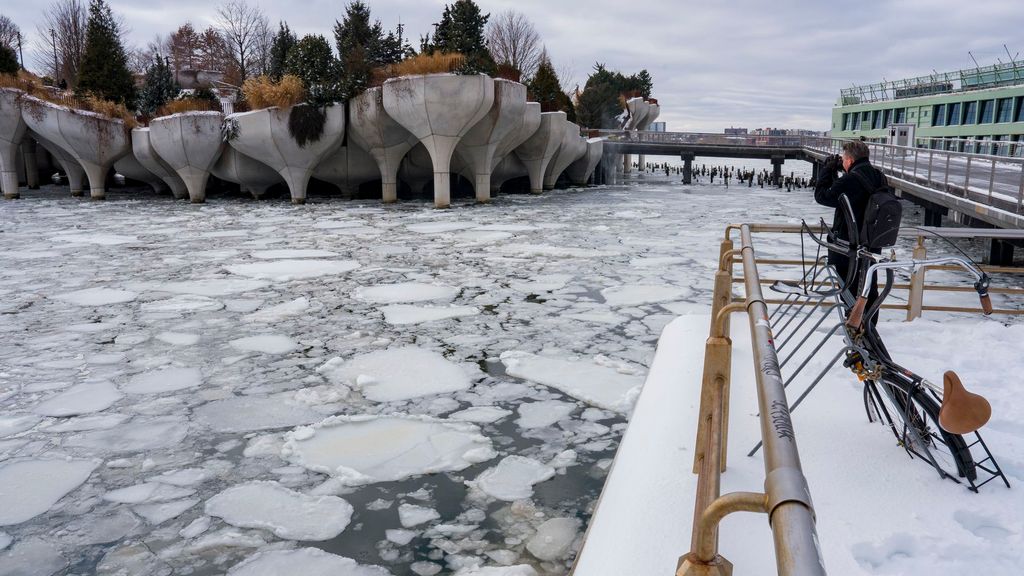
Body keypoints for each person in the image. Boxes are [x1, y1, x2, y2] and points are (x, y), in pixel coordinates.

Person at [814, 140, 885, 320]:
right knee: (869, 288)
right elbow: (850, 195)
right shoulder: (878, 176)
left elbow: (823, 196)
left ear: (850, 160)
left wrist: (826, 170)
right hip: (872, 244)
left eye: (844, 159)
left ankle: (854, 331)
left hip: (850, 246)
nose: (843, 162)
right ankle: (869, 328)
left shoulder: (851, 179)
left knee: (849, 290)